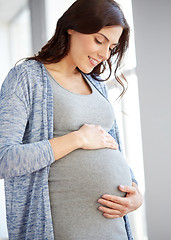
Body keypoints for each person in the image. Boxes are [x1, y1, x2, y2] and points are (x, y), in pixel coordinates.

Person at [0, 0, 143, 239]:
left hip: (114, 229)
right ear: (72, 27)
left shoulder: (97, 85)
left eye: (112, 47)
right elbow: (4, 159)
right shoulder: (27, 77)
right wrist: (77, 139)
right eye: (99, 40)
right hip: (62, 230)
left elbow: (112, 146)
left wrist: (135, 192)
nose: (104, 54)